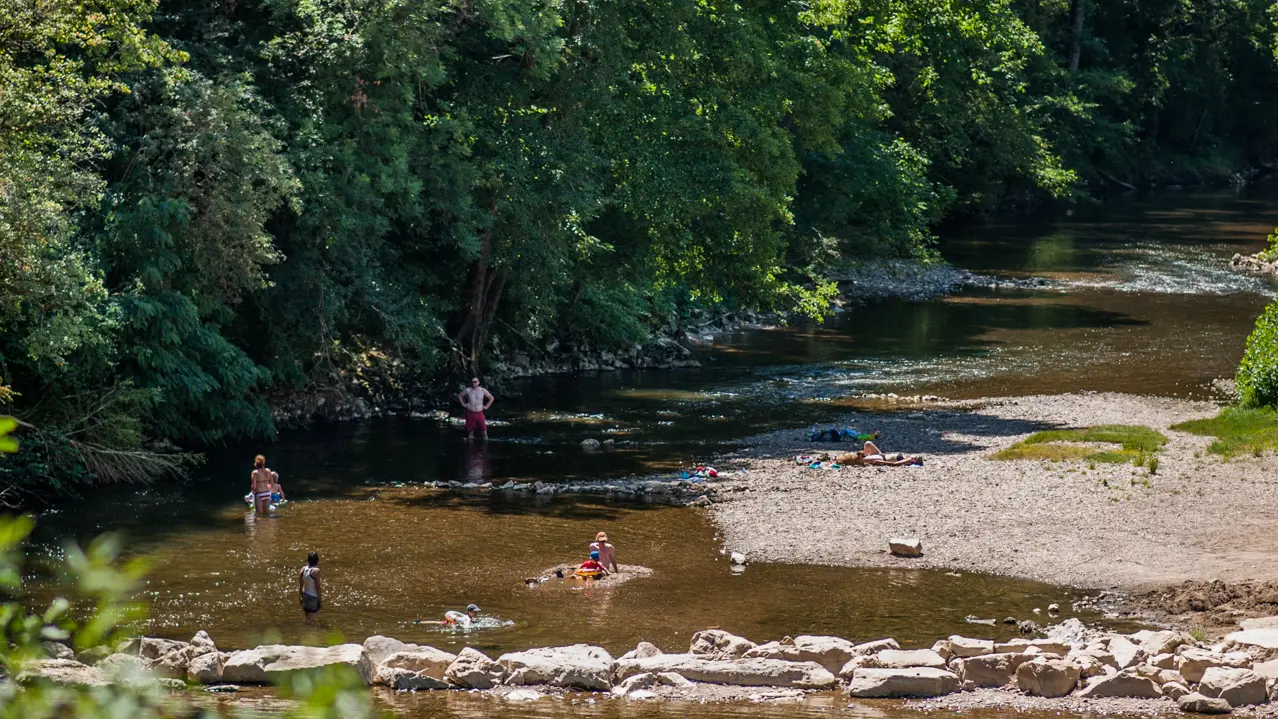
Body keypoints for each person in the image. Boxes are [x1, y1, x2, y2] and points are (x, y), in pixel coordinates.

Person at [837, 441, 923, 467]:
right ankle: (862, 458)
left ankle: (845, 460)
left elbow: (894, 464)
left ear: (914, 460)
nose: (913, 456)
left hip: (882, 458)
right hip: (882, 454)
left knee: (860, 459)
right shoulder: (908, 457)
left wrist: (881, 462)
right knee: (867, 443)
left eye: (915, 457)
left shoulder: (908, 460)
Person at [299, 552, 322, 624]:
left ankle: (306, 631)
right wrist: (320, 599)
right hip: (313, 597)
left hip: (305, 595)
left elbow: (300, 584)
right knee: (311, 620)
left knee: (308, 618)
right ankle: (312, 633)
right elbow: (318, 587)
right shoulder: (316, 571)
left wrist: (300, 596)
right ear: (317, 560)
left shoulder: (303, 569)